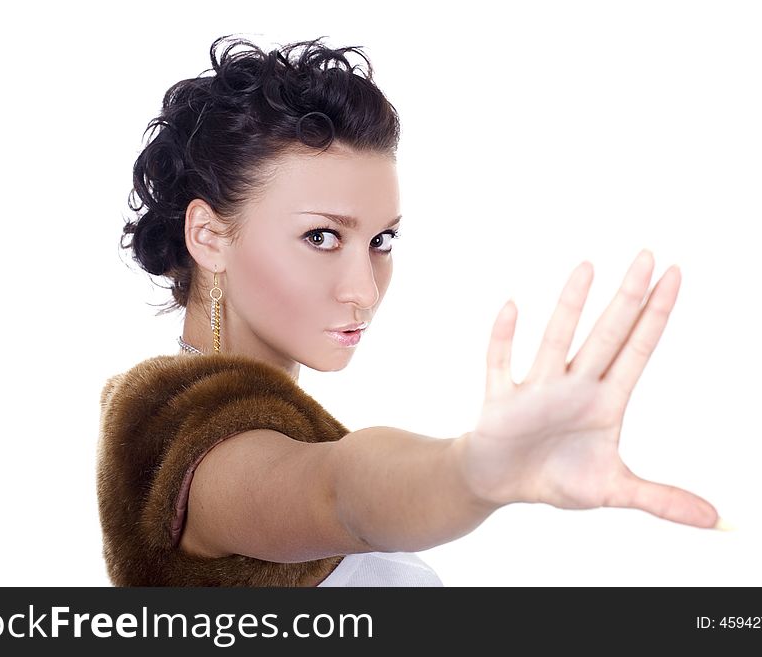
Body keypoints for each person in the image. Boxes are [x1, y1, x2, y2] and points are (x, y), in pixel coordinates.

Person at [96, 35, 721, 588]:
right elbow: (341, 491)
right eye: (321, 237)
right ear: (208, 236)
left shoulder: (263, 425)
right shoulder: (183, 445)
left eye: (381, 241)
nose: (364, 290)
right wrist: (470, 472)